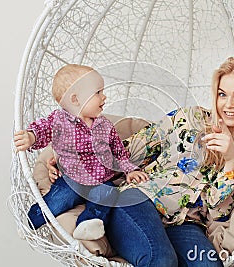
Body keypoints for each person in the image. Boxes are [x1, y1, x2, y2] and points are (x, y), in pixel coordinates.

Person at [45, 57, 234, 266]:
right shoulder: (189, 118)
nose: (228, 105)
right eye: (222, 94)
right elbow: (129, 152)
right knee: (161, 260)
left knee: (208, 263)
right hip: (138, 200)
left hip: (186, 225)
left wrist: (231, 162)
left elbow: (218, 214)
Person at [14, 64, 149, 240]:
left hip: (101, 180)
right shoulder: (60, 120)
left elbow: (118, 152)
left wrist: (130, 170)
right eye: (98, 92)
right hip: (72, 180)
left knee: (108, 194)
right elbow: (44, 130)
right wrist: (31, 137)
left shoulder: (105, 125)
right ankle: (31, 222)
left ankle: (88, 224)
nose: (104, 96)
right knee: (59, 199)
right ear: (75, 99)